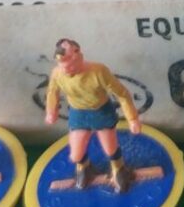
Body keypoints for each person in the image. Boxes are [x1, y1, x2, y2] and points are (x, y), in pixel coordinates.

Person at [44, 39, 141, 191]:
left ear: (79, 56)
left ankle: (118, 169)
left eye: (69, 65)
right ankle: (84, 168)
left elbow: (121, 94)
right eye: (62, 66)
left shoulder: (98, 71)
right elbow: (52, 92)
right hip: (78, 113)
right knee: (75, 155)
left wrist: (132, 118)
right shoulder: (57, 73)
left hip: (101, 111)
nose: (65, 70)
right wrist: (51, 111)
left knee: (110, 148)